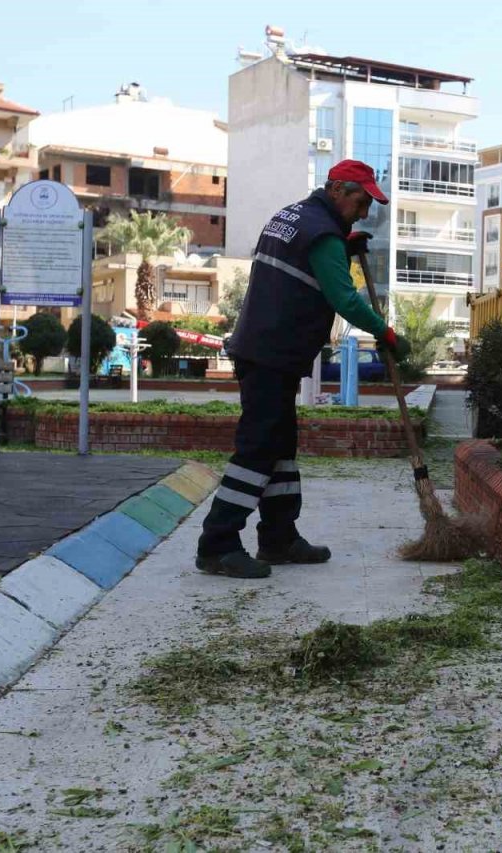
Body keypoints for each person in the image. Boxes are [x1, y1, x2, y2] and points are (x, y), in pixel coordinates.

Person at [197, 160, 411, 579]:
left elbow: (300, 264)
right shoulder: (324, 234)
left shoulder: (292, 216)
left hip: (265, 348)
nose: (365, 211)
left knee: (280, 446)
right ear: (336, 190)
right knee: (258, 449)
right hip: (273, 353)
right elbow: (345, 300)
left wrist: (345, 247)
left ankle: (279, 536)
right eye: (361, 200)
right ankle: (217, 544)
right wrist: (385, 334)